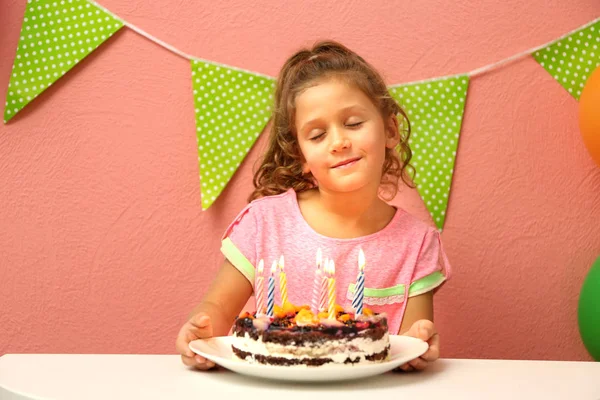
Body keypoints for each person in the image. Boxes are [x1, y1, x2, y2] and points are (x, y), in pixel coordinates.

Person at [176, 40, 451, 372]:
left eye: (353, 123)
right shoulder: (265, 223)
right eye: (318, 135)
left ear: (390, 129)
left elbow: (410, 342)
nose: (339, 142)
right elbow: (216, 309)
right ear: (300, 156)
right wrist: (200, 329)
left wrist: (421, 342)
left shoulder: (417, 243)